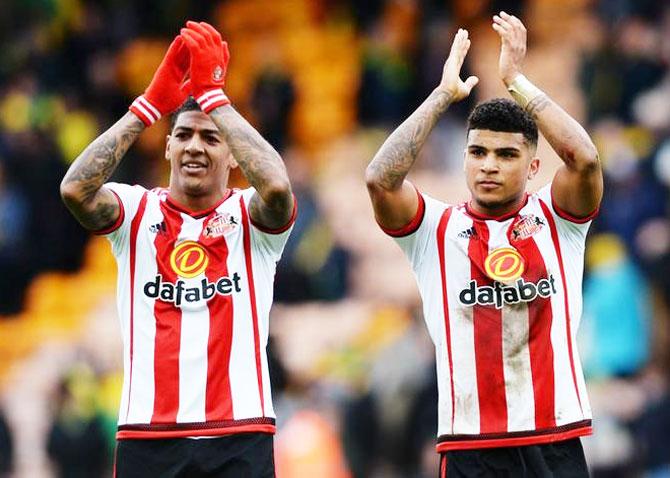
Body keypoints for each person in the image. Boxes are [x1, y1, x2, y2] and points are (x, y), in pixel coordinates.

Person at [365, 12, 602, 478]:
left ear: (533, 168)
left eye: (507, 154)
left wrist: (516, 82)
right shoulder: (434, 230)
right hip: (470, 445)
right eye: (478, 152)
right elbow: (380, 179)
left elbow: (586, 159)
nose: (489, 165)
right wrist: (440, 97)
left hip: (554, 440)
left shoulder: (558, 221)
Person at [60, 21, 295, 478]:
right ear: (166, 146)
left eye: (211, 138)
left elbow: (279, 187)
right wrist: (146, 107)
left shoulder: (252, 217)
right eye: (184, 134)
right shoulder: (134, 210)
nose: (194, 147)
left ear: (233, 155)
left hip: (239, 435)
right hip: (149, 437)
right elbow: (75, 190)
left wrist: (216, 100)